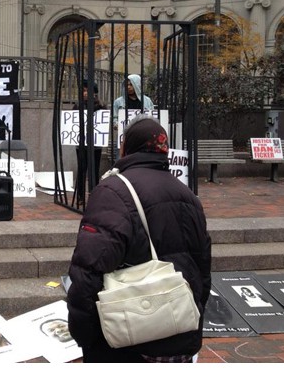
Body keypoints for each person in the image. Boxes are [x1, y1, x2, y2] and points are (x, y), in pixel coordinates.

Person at [67, 115, 211, 363]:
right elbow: (203, 271)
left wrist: (85, 335)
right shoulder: (188, 196)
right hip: (179, 333)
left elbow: (87, 271)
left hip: (129, 340)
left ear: (127, 147)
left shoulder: (113, 191)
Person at [73, 79, 107, 202]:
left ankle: (94, 195)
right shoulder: (78, 105)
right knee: (82, 169)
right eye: (84, 91)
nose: (85, 93)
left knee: (94, 170)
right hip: (81, 144)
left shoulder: (101, 105)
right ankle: (80, 196)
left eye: (88, 91)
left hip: (96, 144)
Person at [112, 74, 154, 162]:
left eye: (131, 84)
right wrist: (115, 124)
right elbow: (114, 117)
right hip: (125, 136)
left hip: (142, 135)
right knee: (123, 159)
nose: (128, 87)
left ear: (137, 85)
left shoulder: (147, 101)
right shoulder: (118, 102)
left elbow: (152, 116)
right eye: (126, 85)